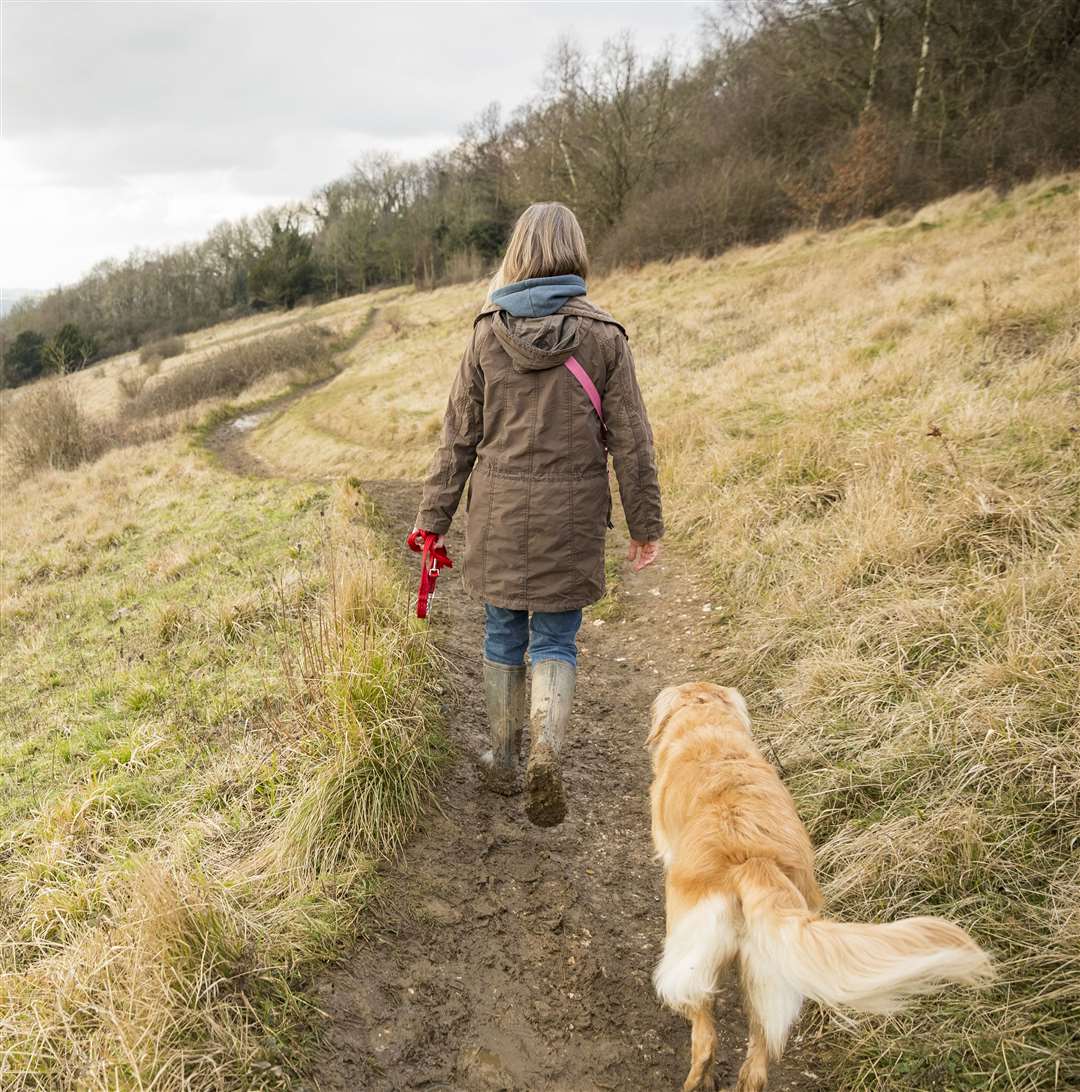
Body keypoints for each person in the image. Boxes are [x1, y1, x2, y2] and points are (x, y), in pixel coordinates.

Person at [413, 202, 663, 828]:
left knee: (503, 635)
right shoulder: (605, 338)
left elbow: (457, 440)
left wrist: (433, 520)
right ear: (574, 252)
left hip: (497, 516)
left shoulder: (484, 335)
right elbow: (632, 439)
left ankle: (502, 757)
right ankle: (547, 751)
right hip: (572, 516)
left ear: (518, 253)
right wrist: (644, 523)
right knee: (556, 639)